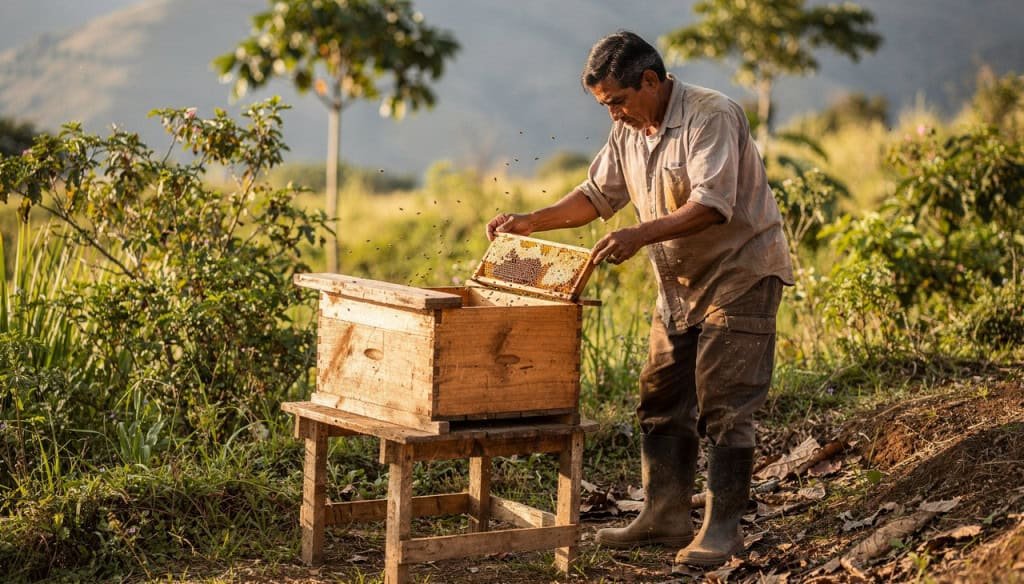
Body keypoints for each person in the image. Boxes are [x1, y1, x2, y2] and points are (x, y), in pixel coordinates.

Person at [485, 31, 794, 567]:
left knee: (725, 405)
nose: (614, 115)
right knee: (659, 399)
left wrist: (639, 234)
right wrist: (531, 221)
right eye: (605, 106)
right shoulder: (629, 129)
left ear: (651, 80)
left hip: (739, 276)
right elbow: (596, 195)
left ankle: (723, 530)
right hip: (677, 287)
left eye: (619, 101)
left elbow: (712, 204)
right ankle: (664, 516)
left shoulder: (711, 115)